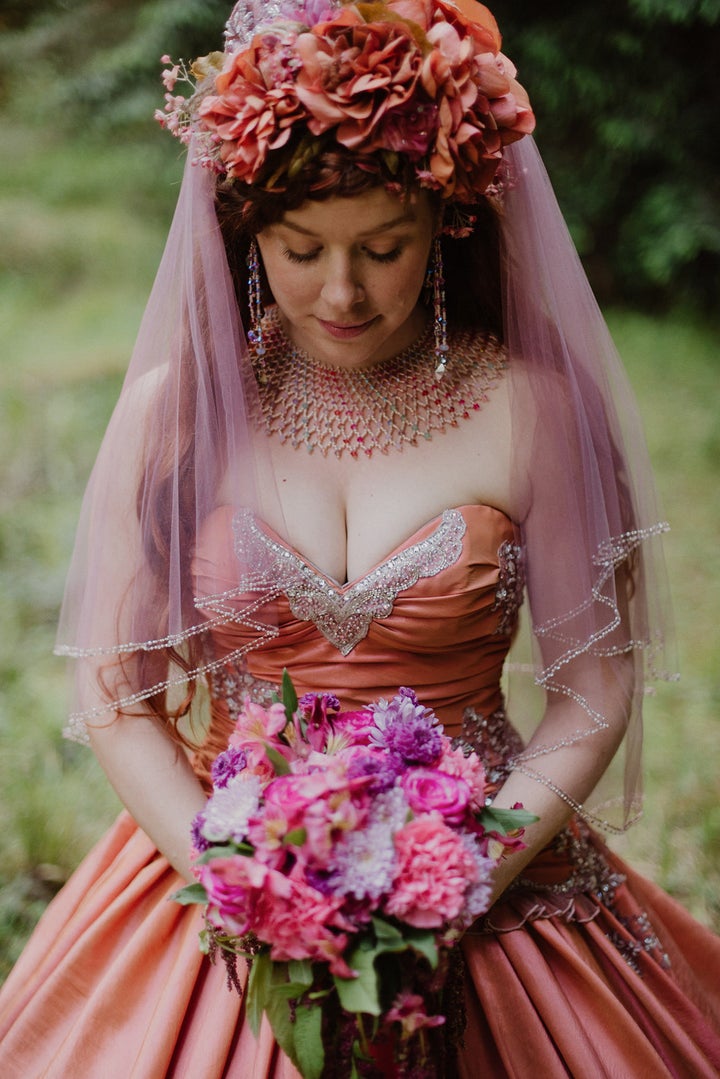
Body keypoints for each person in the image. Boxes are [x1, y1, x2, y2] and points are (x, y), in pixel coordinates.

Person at [1, 0, 719, 1075]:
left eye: (384, 248)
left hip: (483, 873)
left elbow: (595, 689)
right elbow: (117, 694)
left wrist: (457, 877)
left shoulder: (531, 409)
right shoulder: (176, 408)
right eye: (301, 251)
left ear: (445, 226)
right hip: (224, 868)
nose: (343, 292)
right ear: (247, 234)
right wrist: (239, 877)